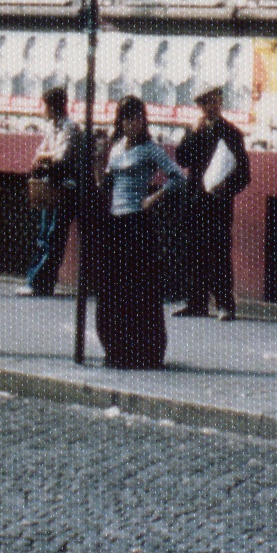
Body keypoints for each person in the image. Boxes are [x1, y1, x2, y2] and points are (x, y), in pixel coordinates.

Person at [95, 95, 183, 369]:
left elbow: (178, 177)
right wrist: (99, 162)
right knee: (114, 291)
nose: (132, 124)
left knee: (139, 289)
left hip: (138, 225)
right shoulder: (117, 147)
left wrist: (153, 198)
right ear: (119, 122)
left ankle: (146, 351)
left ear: (143, 120)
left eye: (136, 118)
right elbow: (106, 184)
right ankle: (117, 350)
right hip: (116, 223)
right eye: (126, 118)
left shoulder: (151, 149)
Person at [173, 79, 250, 320]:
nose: (210, 106)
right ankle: (196, 302)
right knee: (194, 251)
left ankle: (225, 304)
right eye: (205, 102)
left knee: (219, 253)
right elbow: (182, 159)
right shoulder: (194, 130)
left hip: (218, 202)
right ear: (199, 106)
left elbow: (244, 174)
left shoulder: (232, 133)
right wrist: (193, 134)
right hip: (195, 199)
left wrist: (227, 185)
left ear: (221, 101)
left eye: (214, 100)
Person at [18, 86, 83, 297]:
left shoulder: (69, 128)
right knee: (44, 234)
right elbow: (41, 152)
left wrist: (45, 156)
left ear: (54, 106)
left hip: (66, 188)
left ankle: (39, 282)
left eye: (45, 106)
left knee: (54, 235)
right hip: (51, 187)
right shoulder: (53, 127)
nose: (43, 110)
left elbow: (61, 157)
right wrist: (46, 155)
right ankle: (40, 281)